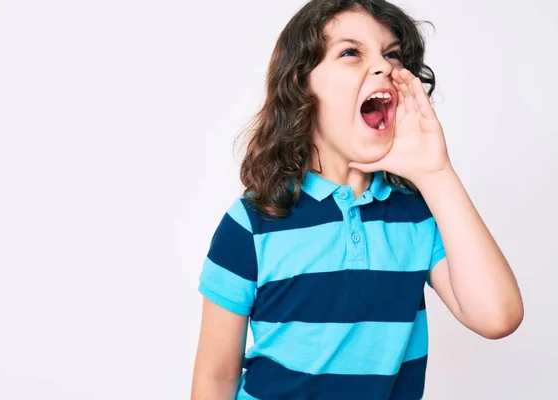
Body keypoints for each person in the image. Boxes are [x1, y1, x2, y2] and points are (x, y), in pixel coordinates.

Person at [190, 0, 524, 398]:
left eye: (393, 54)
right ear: (301, 87)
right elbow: (215, 377)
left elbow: (497, 316)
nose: (384, 66)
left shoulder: (419, 216)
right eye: (351, 52)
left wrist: (436, 174)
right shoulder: (251, 223)